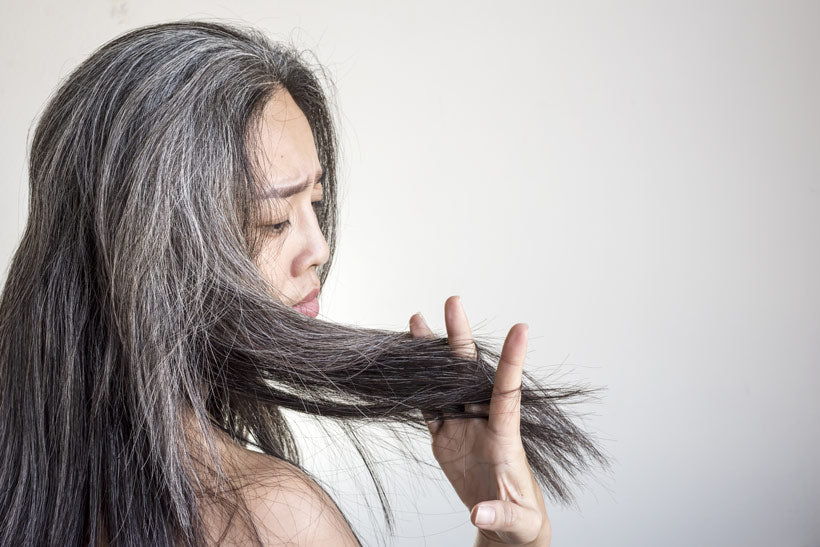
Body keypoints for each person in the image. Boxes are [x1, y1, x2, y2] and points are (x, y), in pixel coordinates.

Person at [0, 21, 607, 546]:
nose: (318, 247)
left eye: (315, 202)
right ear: (154, 251)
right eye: (274, 218)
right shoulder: (271, 520)